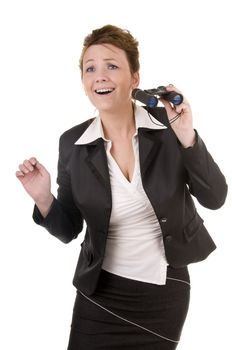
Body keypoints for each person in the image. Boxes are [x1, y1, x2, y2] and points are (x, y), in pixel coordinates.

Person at [16, 24, 227, 350]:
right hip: (99, 294)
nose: (99, 75)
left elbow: (215, 197)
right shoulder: (73, 143)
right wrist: (44, 198)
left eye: (112, 66)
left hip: (162, 295)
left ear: (135, 78)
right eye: (90, 68)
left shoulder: (166, 127)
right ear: (84, 81)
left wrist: (187, 136)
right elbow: (69, 227)